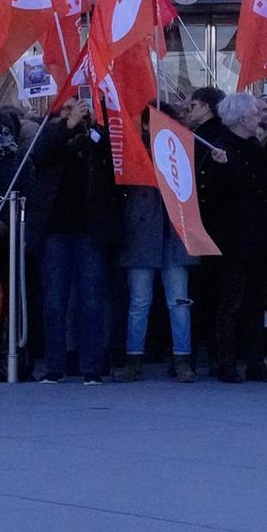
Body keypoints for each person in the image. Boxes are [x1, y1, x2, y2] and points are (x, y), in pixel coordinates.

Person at [27, 94, 118, 383]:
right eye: (66, 108)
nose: (72, 112)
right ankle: (55, 365)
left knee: (91, 300)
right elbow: (40, 154)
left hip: (90, 231)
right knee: (55, 301)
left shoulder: (97, 136)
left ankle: (91, 367)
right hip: (55, 231)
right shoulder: (50, 134)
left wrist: (94, 127)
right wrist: (68, 125)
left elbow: (111, 161)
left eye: (77, 108)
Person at [199, 92, 267, 382]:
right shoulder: (220, 149)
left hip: (258, 236)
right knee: (231, 302)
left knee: (257, 302)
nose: (259, 118)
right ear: (243, 118)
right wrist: (222, 168)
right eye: (255, 113)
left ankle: (255, 362)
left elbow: (265, 184)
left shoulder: (254, 145)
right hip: (232, 238)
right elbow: (211, 193)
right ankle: (226, 363)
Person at [117, 111, 199, 382]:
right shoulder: (133, 150)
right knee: (140, 302)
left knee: (179, 302)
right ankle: (133, 359)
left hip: (174, 233)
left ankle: (182, 358)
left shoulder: (181, 148)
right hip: (142, 233)